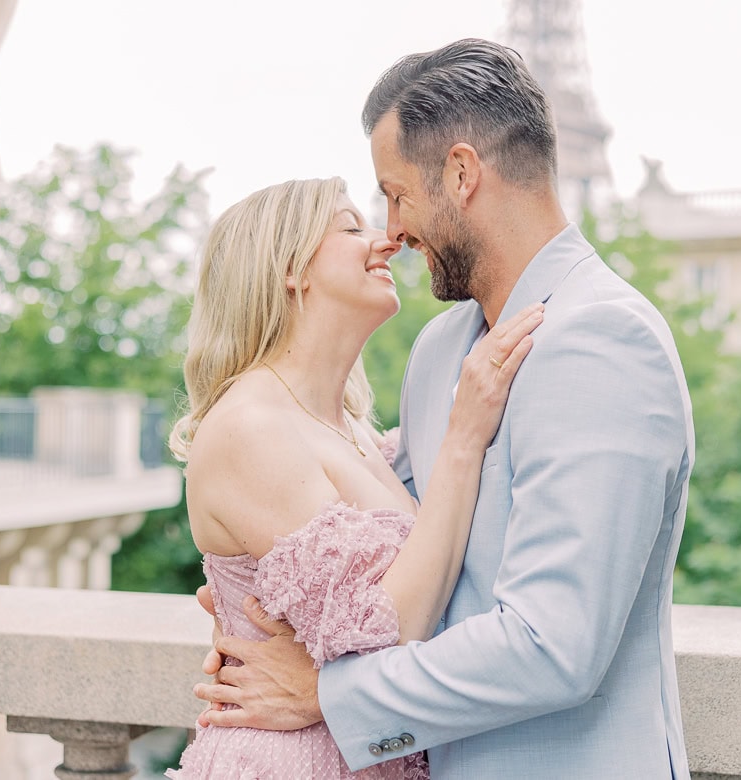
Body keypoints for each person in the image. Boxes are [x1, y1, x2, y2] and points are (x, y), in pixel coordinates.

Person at [193, 38, 695, 779]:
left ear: (461, 174)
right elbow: (395, 543)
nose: (392, 231)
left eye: (396, 195)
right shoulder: (439, 353)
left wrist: (329, 695)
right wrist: (264, 604)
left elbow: (555, 646)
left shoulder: (603, 340)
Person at [165, 175, 542, 778]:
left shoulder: (355, 431)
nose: (387, 240)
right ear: (290, 268)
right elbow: (390, 631)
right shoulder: (250, 426)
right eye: (350, 227)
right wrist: (464, 437)